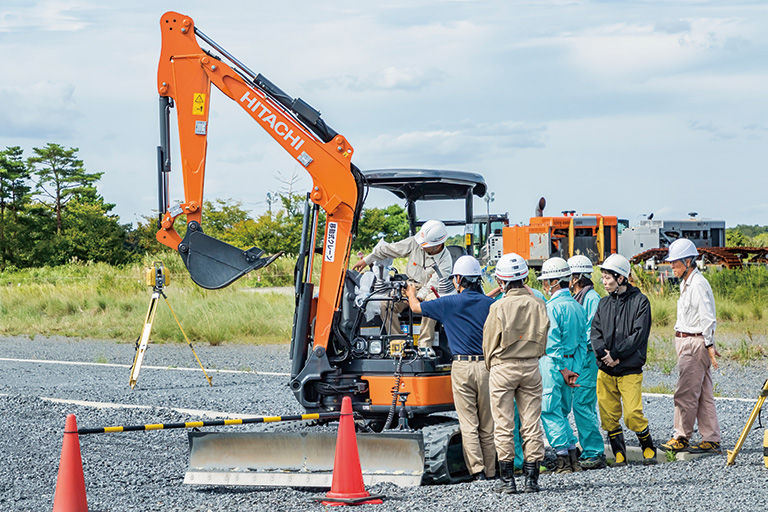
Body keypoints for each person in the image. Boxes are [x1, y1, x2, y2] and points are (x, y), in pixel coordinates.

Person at [405, 255, 496, 480]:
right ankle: (493, 471)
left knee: (468, 423)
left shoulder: (448, 304)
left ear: (458, 279)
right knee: (488, 422)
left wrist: (410, 292)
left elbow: (416, 308)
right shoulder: (491, 305)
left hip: (462, 367)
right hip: (486, 367)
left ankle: (477, 472)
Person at [483, 253, 549, 493]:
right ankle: (532, 480)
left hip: (503, 366)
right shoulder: (538, 303)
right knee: (532, 422)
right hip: (531, 365)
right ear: (524, 277)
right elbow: (544, 338)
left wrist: (493, 365)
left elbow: (489, 343)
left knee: (503, 424)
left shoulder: (497, 306)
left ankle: (507, 481)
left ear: (501, 280)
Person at [591, 254, 657, 466]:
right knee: (608, 415)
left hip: (629, 368)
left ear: (621, 278)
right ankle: (619, 452)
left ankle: (647, 445)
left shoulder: (641, 302)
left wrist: (617, 355)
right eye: (603, 277)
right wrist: (604, 355)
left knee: (632, 414)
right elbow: (595, 333)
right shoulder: (603, 304)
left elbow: (639, 335)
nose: (604, 281)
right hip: (606, 370)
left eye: (608, 277)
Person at [353, 219, 454, 352]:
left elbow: (432, 284)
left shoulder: (446, 260)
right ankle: (398, 341)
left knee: (430, 302)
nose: (422, 246)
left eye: (425, 245)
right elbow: (389, 249)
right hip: (411, 285)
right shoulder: (414, 243)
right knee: (386, 303)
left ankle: (424, 346)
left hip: (431, 290)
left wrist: (415, 298)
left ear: (437, 245)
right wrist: (367, 260)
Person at [660, 238, 722, 454]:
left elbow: (707, 317)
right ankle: (711, 437)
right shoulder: (688, 284)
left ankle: (681, 436)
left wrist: (709, 344)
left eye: (675, 263)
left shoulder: (697, 284)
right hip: (691, 340)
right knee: (703, 392)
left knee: (684, 392)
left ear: (688, 261)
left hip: (693, 343)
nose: (672, 266)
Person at [537, 256, 587, 473]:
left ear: (553, 282)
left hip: (553, 366)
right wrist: (574, 369)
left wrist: (562, 368)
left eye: (546, 282)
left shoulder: (552, 308)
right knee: (562, 412)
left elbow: (553, 341)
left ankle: (562, 460)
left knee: (549, 411)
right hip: (571, 366)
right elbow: (582, 343)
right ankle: (572, 455)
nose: (545, 286)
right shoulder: (577, 306)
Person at [566, 254, 606, 469]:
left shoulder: (591, 299)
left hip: (586, 357)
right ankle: (587, 447)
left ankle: (594, 451)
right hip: (579, 357)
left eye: (570, 276)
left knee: (582, 404)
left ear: (577, 276)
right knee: (579, 403)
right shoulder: (580, 297)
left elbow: (591, 332)